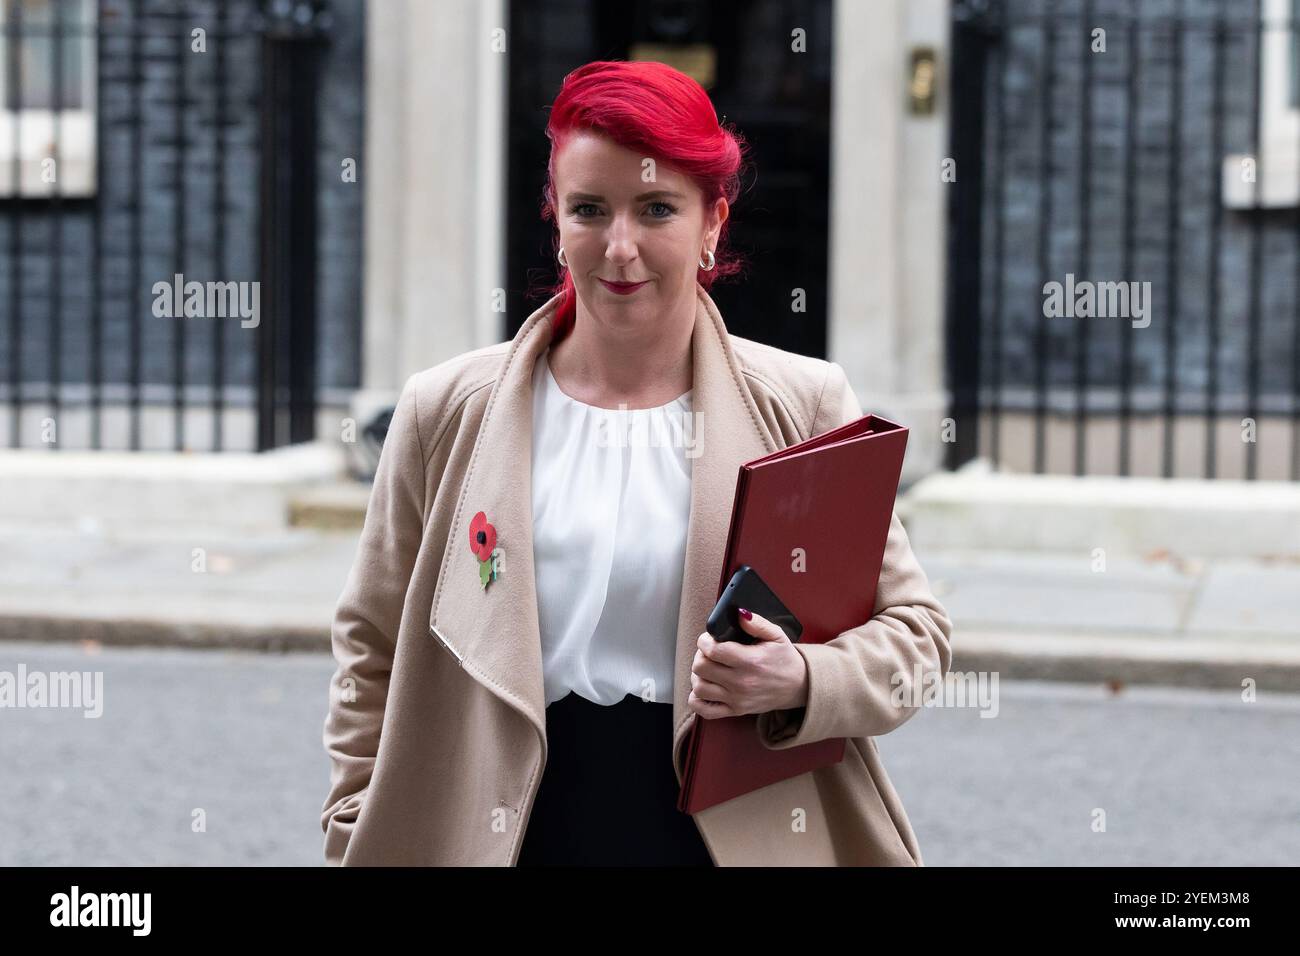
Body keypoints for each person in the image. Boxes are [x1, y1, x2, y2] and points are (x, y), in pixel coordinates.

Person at [321, 60, 953, 867]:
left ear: (713, 223)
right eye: (590, 209)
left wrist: (802, 679)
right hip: (501, 830)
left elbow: (917, 638)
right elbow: (372, 639)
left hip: (729, 830)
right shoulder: (444, 410)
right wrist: (354, 819)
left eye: (656, 209)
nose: (620, 248)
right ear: (557, 222)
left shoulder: (802, 403)